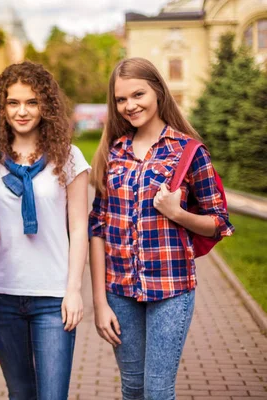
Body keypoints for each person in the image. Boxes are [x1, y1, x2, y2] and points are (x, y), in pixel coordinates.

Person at [88, 57, 234, 400]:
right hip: (119, 291)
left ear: (157, 91)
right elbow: (98, 227)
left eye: (138, 94)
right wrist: (99, 301)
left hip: (172, 289)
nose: (129, 105)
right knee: (132, 387)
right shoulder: (113, 152)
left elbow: (219, 223)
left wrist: (178, 214)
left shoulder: (188, 151)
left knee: (157, 390)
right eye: (121, 99)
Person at [0, 61, 90, 399]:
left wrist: (74, 289)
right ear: (2, 107)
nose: (22, 111)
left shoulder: (69, 158)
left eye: (31, 102)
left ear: (46, 106)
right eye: (13, 102)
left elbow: (79, 225)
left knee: (52, 394)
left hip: (53, 296)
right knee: (20, 393)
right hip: (3, 293)